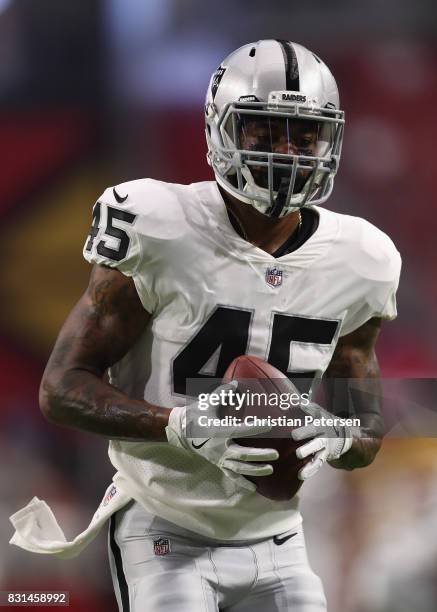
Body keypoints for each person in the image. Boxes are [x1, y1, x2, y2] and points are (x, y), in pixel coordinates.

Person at [11, 40, 401, 611]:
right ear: (221, 130)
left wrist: (341, 433)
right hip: (163, 527)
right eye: (264, 130)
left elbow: (365, 425)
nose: (288, 152)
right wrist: (177, 424)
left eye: (305, 134)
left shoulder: (362, 258)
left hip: (280, 537)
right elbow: (62, 387)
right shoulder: (159, 226)